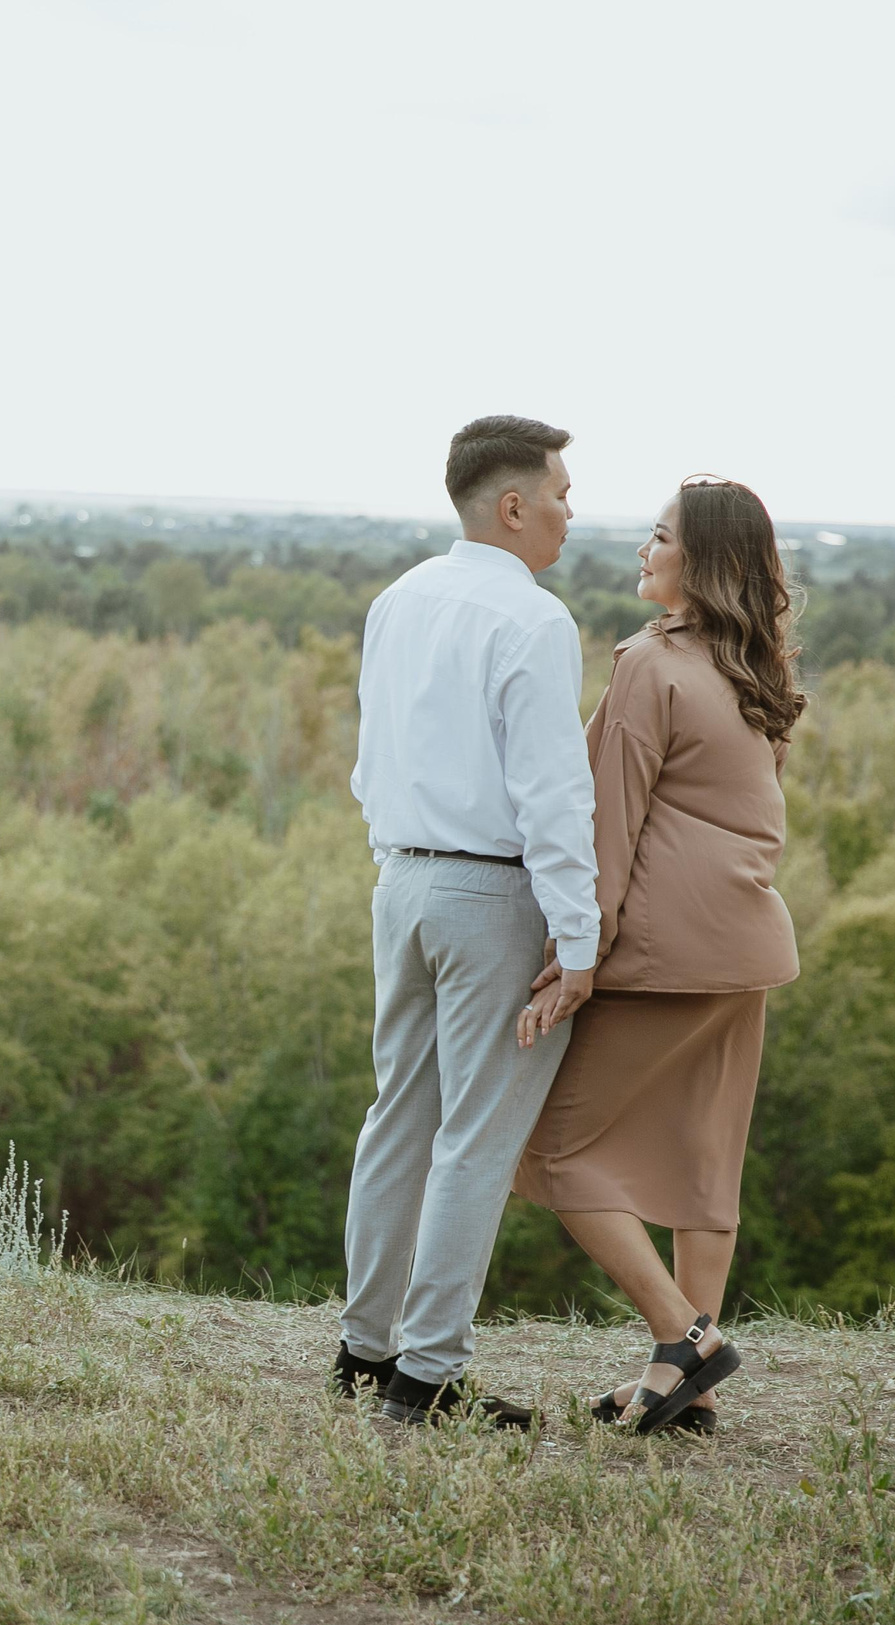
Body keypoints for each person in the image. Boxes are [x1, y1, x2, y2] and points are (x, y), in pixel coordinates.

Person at [514, 475, 804, 1436]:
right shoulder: (750, 670)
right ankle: (692, 1389)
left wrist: (576, 951)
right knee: (702, 1163)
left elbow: (613, 824)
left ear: (702, 561)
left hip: (665, 953)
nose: (644, 550)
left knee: (547, 1151)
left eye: (660, 536)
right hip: (746, 944)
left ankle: (686, 1339)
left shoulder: (650, 663)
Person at [337, 416, 601, 1428]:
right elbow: (552, 797)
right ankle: (429, 1375)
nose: (571, 514)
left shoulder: (397, 599)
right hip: (491, 895)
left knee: (397, 1115)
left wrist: (401, 862)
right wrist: (576, 942)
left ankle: (364, 1353)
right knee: (476, 1140)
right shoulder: (532, 621)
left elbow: (369, 761)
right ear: (512, 505)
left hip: (400, 882)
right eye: (562, 494)